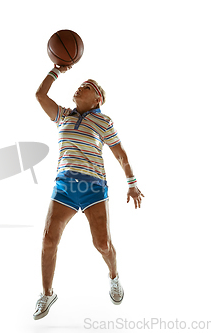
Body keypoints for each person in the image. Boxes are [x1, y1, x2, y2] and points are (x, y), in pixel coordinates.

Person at [33, 64, 144, 320]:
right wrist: (56, 70)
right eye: (80, 83)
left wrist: (132, 183)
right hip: (64, 187)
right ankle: (47, 294)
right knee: (49, 240)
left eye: (87, 86)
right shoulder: (63, 115)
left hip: (93, 187)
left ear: (98, 99)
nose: (79, 86)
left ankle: (114, 277)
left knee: (102, 244)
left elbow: (120, 153)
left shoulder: (103, 120)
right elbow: (40, 96)